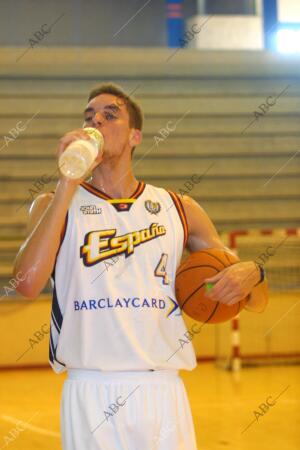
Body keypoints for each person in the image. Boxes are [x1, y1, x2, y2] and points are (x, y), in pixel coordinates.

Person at [13, 83, 268, 450]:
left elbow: (228, 291)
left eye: (109, 115)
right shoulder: (55, 203)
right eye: (89, 117)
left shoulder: (179, 208)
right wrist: (68, 181)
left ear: (135, 136)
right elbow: (25, 284)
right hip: (91, 389)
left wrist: (252, 273)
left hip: (163, 391)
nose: (96, 121)